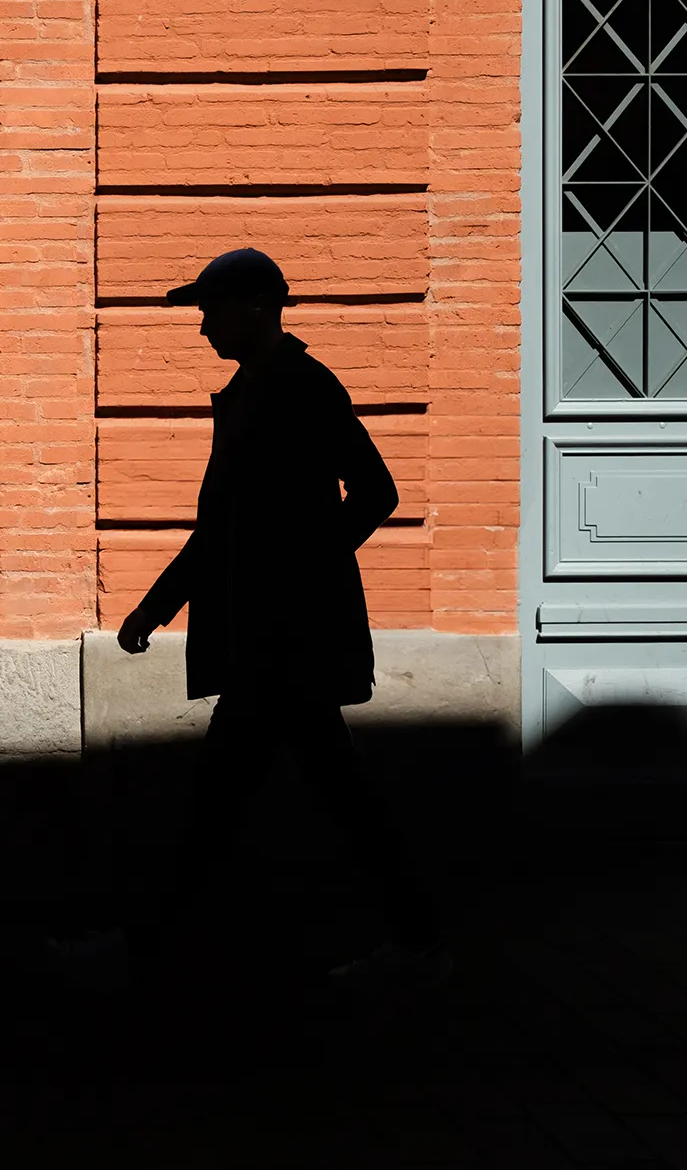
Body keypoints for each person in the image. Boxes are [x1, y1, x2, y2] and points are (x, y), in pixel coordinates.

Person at [115, 246, 449, 989]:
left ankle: (145, 950)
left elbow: (375, 490)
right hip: (271, 644)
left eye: (211, 308)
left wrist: (303, 564)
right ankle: (420, 939)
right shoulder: (254, 391)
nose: (202, 325)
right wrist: (157, 604)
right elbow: (223, 529)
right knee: (312, 799)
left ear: (254, 309)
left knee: (229, 804)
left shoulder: (303, 386)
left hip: (285, 644)